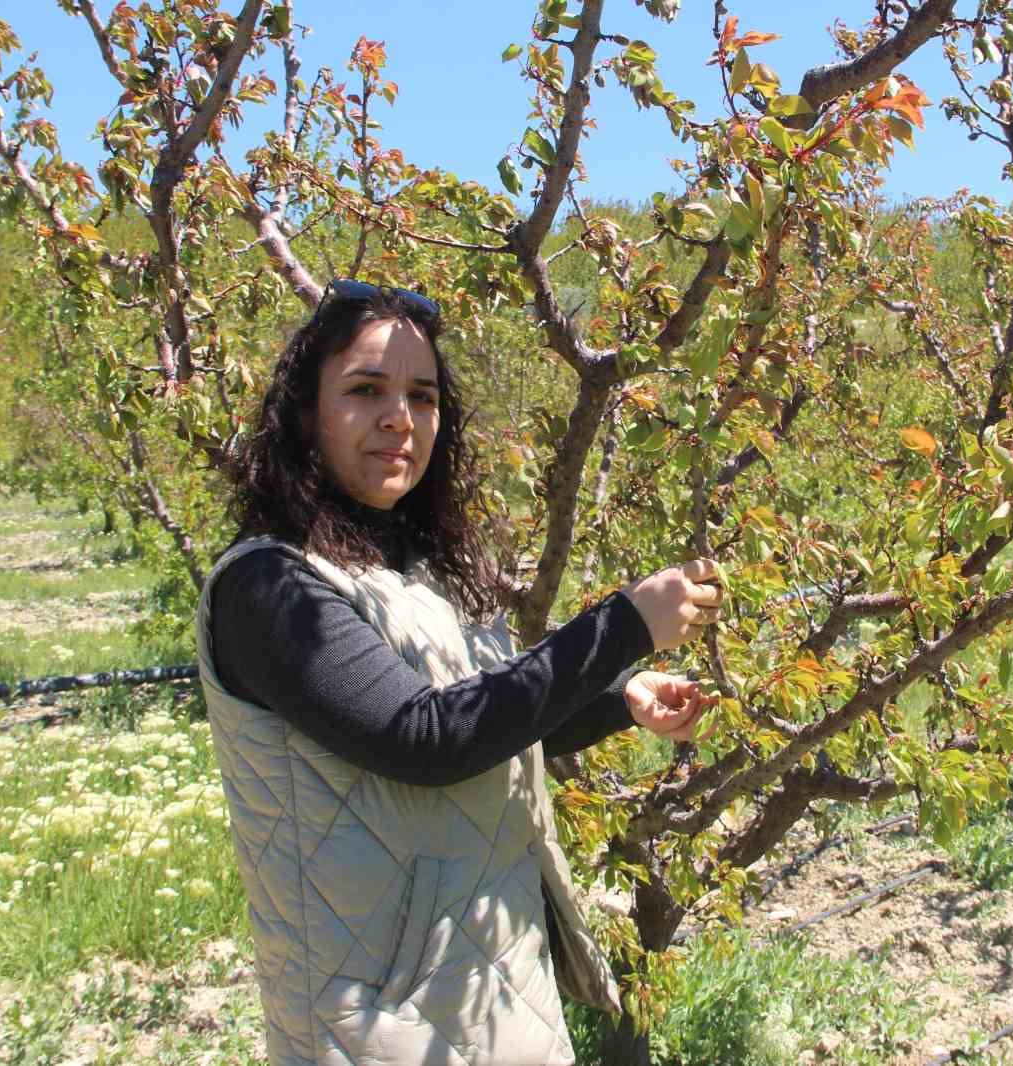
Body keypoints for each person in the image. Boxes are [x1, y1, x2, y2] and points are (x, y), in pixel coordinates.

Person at [193, 280, 724, 1066]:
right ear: (306, 413)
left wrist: (619, 699)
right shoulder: (270, 591)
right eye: (365, 389)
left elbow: (488, 717)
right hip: (378, 1017)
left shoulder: (422, 569)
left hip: (492, 985)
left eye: (423, 395)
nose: (399, 418)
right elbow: (425, 739)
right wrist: (620, 629)